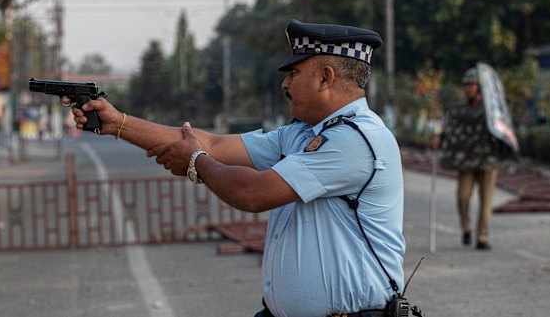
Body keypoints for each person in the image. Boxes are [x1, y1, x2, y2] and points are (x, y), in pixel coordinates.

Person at [66, 19, 406, 317]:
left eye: (295, 72)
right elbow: (209, 143)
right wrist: (117, 123)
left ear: (325, 78)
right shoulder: (303, 132)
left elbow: (252, 192)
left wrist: (196, 162)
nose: (285, 84)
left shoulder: (356, 140)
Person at [431, 67, 503, 251]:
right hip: (466, 161)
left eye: (471, 86)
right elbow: (448, 125)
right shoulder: (459, 110)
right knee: (463, 198)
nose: (468, 89)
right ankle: (467, 228)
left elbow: (503, 129)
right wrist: (440, 137)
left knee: (486, 202)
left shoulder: (491, 110)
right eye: (466, 86)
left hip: (488, 161)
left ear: (480, 88)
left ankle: (482, 237)